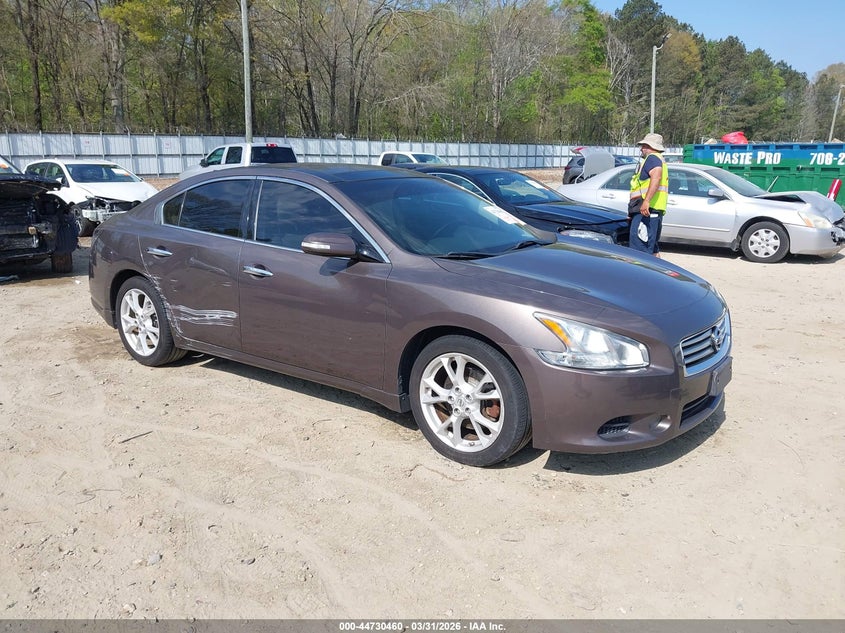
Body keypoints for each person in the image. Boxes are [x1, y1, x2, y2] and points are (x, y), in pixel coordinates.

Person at [628, 132, 669, 257]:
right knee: (651, 250)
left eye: (644, 146)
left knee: (639, 251)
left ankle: (639, 276)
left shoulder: (653, 159)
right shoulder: (657, 160)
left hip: (647, 211)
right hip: (649, 210)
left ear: (651, 147)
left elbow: (655, 178)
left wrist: (646, 201)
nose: (642, 149)